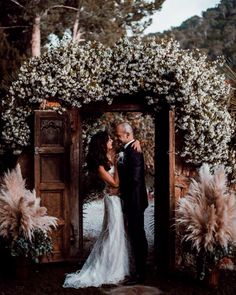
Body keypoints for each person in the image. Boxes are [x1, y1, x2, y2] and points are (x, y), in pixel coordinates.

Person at [63, 130, 140, 288]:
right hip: (111, 201)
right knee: (113, 232)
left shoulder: (111, 156)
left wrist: (138, 141)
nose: (112, 141)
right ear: (102, 143)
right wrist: (118, 167)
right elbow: (115, 184)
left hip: (118, 199)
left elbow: (130, 144)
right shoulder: (99, 166)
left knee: (119, 232)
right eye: (109, 139)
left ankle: (119, 266)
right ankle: (109, 268)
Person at [116, 122, 148, 284]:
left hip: (134, 200)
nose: (117, 137)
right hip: (131, 199)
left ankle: (141, 274)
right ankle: (139, 270)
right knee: (135, 234)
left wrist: (120, 191)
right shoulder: (126, 149)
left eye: (119, 135)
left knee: (138, 235)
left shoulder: (134, 151)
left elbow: (135, 179)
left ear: (128, 135)